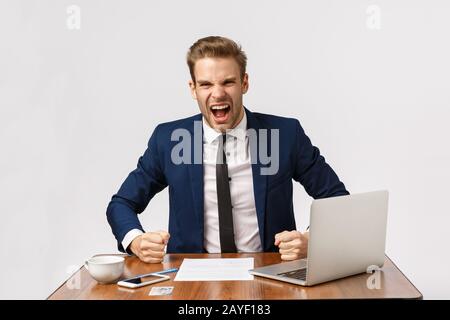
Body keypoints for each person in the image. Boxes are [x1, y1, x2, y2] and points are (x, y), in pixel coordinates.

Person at [106, 36, 349, 264]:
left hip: (269, 274)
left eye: (228, 82)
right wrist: (135, 241)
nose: (218, 93)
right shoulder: (168, 140)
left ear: (244, 83)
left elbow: (337, 200)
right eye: (206, 84)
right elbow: (121, 204)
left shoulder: (285, 135)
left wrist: (310, 240)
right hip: (190, 278)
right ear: (193, 89)